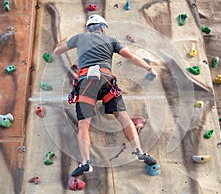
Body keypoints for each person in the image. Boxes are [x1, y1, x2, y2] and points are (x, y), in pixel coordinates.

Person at [53, 14, 158, 177]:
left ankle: (85, 162)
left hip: (86, 84)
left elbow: (57, 51)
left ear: (88, 28)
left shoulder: (79, 38)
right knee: (124, 117)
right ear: (102, 27)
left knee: (83, 125)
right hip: (106, 82)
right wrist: (148, 68)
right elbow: (130, 56)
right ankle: (139, 151)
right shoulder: (111, 40)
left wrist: (63, 40)